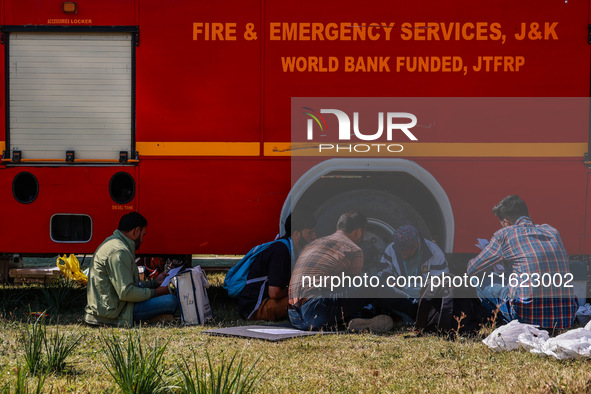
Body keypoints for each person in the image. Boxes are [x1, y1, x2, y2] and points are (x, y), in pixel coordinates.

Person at [467, 195, 577, 329]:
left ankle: (493, 323)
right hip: (564, 317)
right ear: (527, 213)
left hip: (526, 316)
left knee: (478, 280)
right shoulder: (552, 231)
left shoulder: (504, 234)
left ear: (506, 221)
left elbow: (473, 269)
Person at [288, 211, 393, 332]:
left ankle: (350, 321)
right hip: (315, 311)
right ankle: (413, 310)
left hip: (295, 317)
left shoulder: (310, 245)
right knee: (375, 283)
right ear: (359, 231)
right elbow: (352, 288)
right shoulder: (354, 249)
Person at [84, 212, 177, 326]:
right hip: (115, 313)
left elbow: (129, 285)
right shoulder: (120, 252)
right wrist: (156, 292)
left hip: (113, 308)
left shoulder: (115, 244)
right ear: (136, 231)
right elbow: (126, 293)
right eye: (143, 235)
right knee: (171, 301)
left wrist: (154, 283)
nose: (142, 240)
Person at [238, 212, 317, 321]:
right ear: (296, 234)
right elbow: (274, 292)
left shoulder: (288, 247)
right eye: (310, 233)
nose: (314, 236)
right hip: (257, 308)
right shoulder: (281, 251)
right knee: (311, 297)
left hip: (266, 302)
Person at [374, 225, 448, 322]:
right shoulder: (391, 249)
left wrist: (413, 289)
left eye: (407, 252)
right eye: (400, 253)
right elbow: (382, 272)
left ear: (417, 244)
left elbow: (440, 282)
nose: (404, 256)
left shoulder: (434, 252)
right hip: (399, 297)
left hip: (423, 300)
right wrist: (390, 279)